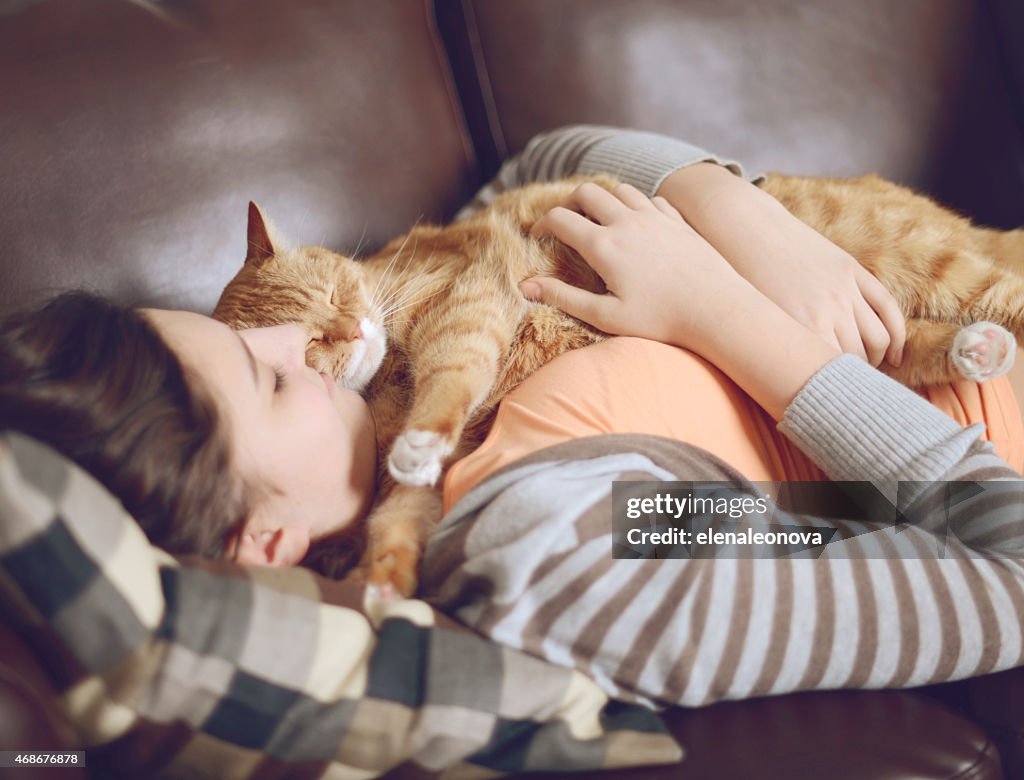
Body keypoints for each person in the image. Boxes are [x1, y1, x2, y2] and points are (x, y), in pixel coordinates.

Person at [1, 127, 1021, 707]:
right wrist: (726, 318)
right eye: (264, 382)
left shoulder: (418, 366)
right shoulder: (560, 545)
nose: (287, 341)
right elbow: (990, 558)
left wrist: (732, 210)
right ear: (263, 544)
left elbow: (543, 163)